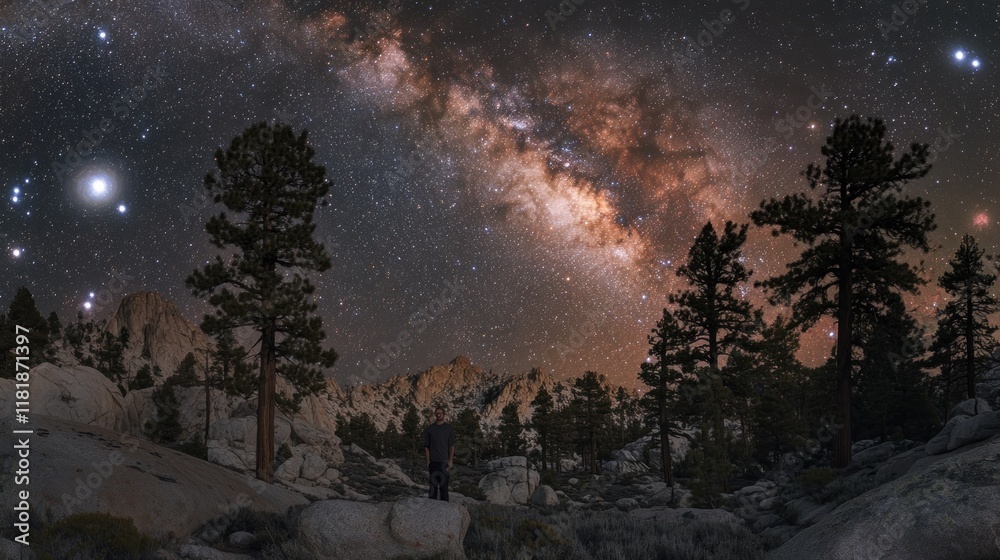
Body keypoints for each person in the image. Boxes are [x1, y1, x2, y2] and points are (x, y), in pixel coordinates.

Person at [423, 406, 455, 501]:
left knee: (444, 488)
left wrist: (451, 461)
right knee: (432, 488)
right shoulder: (429, 429)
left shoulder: (448, 429)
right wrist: (428, 461)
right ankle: (431, 512)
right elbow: (426, 447)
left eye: (440, 413)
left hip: (444, 462)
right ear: (435, 415)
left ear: (443, 415)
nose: (438, 414)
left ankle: (445, 513)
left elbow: (451, 446)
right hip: (433, 462)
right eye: (437, 413)